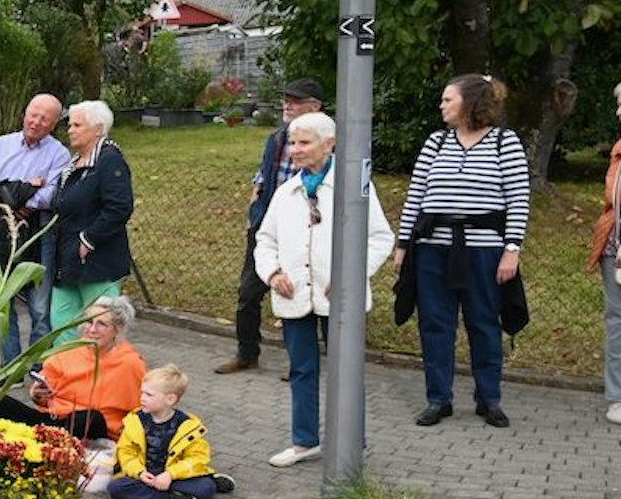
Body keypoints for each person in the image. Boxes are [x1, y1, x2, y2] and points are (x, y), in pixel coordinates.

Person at [254, 112, 394, 466]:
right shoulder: (286, 192)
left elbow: (380, 238)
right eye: (292, 143)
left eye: (305, 142)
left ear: (329, 144)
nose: (295, 150)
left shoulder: (354, 188)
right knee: (302, 369)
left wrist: (351, 274)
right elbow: (264, 240)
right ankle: (305, 442)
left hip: (340, 298)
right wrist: (272, 273)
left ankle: (351, 442)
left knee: (346, 370)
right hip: (294, 295)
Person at [394, 73, 530, 428]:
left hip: (483, 251)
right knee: (434, 324)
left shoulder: (504, 142)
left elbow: (518, 199)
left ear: (469, 102)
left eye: (447, 99)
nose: (441, 106)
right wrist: (403, 244)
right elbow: (415, 197)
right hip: (433, 248)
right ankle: (438, 399)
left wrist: (512, 249)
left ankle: (489, 398)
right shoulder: (436, 142)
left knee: (483, 323)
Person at [221, 77, 325, 375]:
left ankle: (300, 363)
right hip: (267, 227)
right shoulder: (278, 138)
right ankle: (247, 353)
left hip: (305, 231)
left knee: (298, 294)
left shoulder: (326, 144)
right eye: (286, 100)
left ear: (315, 107)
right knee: (248, 292)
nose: (287, 105)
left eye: (295, 101)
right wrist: (254, 208)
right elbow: (263, 174)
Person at [0, 93, 72, 363]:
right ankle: (10, 365)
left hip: (38, 233)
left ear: (54, 124)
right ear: (25, 114)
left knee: (39, 306)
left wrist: (3, 192)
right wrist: (21, 194)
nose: (36, 122)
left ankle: (37, 366)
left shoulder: (59, 154)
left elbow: (51, 195)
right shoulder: (0, 145)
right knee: (2, 303)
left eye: (44, 119)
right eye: (33, 115)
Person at [0, 294, 146, 442]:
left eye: (101, 324)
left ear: (118, 328)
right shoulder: (69, 349)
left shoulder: (130, 362)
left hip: (92, 427)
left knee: (90, 417)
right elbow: (43, 398)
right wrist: (37, 395)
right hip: (54, 421)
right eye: (89, 322)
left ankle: (41, 444)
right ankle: (10, 448)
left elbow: (142, 411)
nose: (92, 329)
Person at [50, 100, 135, 336]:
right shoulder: (73, 164)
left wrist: (88, 240)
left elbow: (119, 207)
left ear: (98, 129)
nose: (70, 130)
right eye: (69, 125)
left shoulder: (109, 160)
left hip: (97, 262)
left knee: (100, 327)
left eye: (77, 125)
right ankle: (66, 362)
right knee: (61, 325)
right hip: (67, 260)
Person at [109, 365, 235, 499]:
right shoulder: (134, 421)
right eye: (142, 393)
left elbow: (198, 457)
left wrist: (170, 474)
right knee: (116, 488)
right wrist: (139, 472)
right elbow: (126, 452)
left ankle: (206, 481)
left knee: (205, 488)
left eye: (149, 395)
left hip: (175, 475)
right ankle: (172, 496)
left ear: (170, 399)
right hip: (146, 474)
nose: (142, 398)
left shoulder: (187, 426)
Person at [592, 82, 621, 425]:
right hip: (615, 248)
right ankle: (617, 397)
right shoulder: (618, 149)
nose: (618, 111)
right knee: (617, 323)